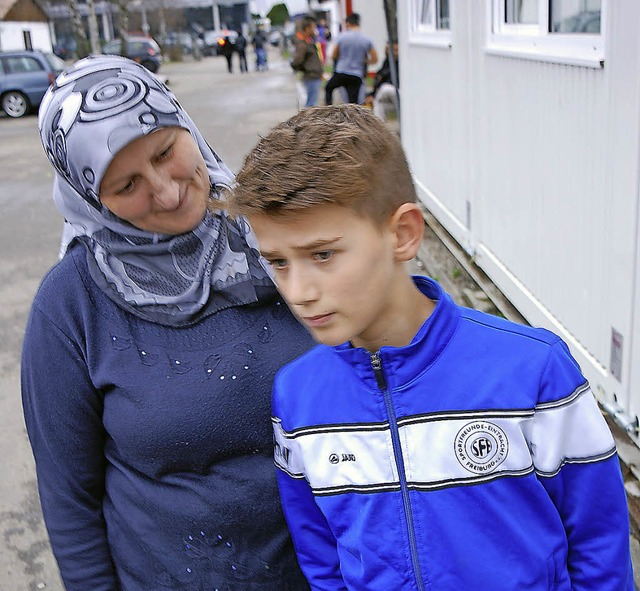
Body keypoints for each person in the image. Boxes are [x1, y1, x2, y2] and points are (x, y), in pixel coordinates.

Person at [227, 104, 635, 590]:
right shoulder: (298, 395)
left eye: (322, 254)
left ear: (402, 234)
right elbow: (321, 556)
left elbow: (599, 544)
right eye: (279, 262)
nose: (298, 291)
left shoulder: (534, 370)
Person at [21, 54, 314, 591]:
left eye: (165, 152)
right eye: (126, 184)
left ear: (186, 125)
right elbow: (69, 501)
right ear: (91, 199)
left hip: (328, 573)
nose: (167, 190)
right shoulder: (71, 306)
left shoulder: (277, 237)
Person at [324, 13, 377, 105]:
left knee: (329, 88)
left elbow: (334, 55)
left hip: (341, 71)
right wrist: (364, 61)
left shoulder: (342, 37)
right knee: (353, 102)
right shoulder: (366, 40)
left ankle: (329, 109)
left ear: (348, 23)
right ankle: (353, 118)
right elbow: (374, 59)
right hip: (356, 74)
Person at [291, 16, 324, 108]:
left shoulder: (309, 41)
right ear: (308, 28)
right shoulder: (302, 44)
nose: (315, 30)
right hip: (311, 76)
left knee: (312, 102)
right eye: (313, 27)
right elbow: (296, 61)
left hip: (314, 75)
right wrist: (305, 69)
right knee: (311, 104)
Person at [364, 41, 399, 122]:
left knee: (385, 88)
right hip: (390, 97)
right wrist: (372, 94)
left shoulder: (402, 63)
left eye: (395, 50)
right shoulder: (387, 62)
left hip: (399, 92)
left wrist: (374, 94)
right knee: (379, 105)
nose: (388, 51)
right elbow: (379, 79)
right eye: (387, 49)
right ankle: (380, 129)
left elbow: (390, 81)